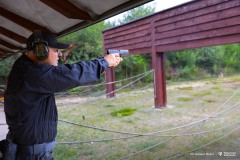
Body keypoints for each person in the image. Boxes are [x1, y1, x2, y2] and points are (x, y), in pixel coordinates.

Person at [1, 30, 122, 159]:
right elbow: (71, 75)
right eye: (55, 50)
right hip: (32, 155)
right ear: (41, 50)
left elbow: (66, 72)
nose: (59, 54)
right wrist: (104, 62)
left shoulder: (26, 68)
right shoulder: (31, 73)